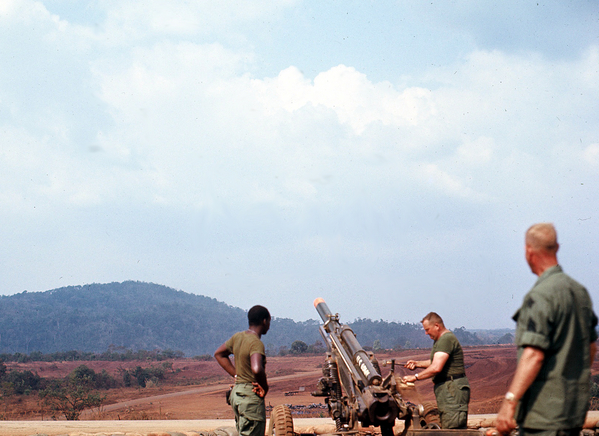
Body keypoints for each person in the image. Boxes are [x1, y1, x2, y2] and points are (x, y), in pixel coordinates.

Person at [496, 223, 598, 436]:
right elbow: (590, 348)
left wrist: (509, 403)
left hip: (543, 417)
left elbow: (533, 355)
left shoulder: (540, 296)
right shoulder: (580, 293)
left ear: (528, 251)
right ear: (557, 247)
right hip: (572, 412)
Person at [402, 312, 470, 429]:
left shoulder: (446, 339)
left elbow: (436, 367)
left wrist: (415, 377)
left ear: (437, 326)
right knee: (448, 425)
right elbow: (435, 361)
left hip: (452, 389)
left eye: (427, 329)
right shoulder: (440, 340)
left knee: (453, 427)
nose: (426, 333)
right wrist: (417, 363)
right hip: (447, 389)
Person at [214, 305, 271, 436]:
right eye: (269, 321)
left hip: (238, 393)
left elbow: (219, 354)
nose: (269, 325)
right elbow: (256, 369)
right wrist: (264, 387)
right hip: (250, 395)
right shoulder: (255, 342)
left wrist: (236, 374)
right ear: (264, 321)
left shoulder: (237, 337)